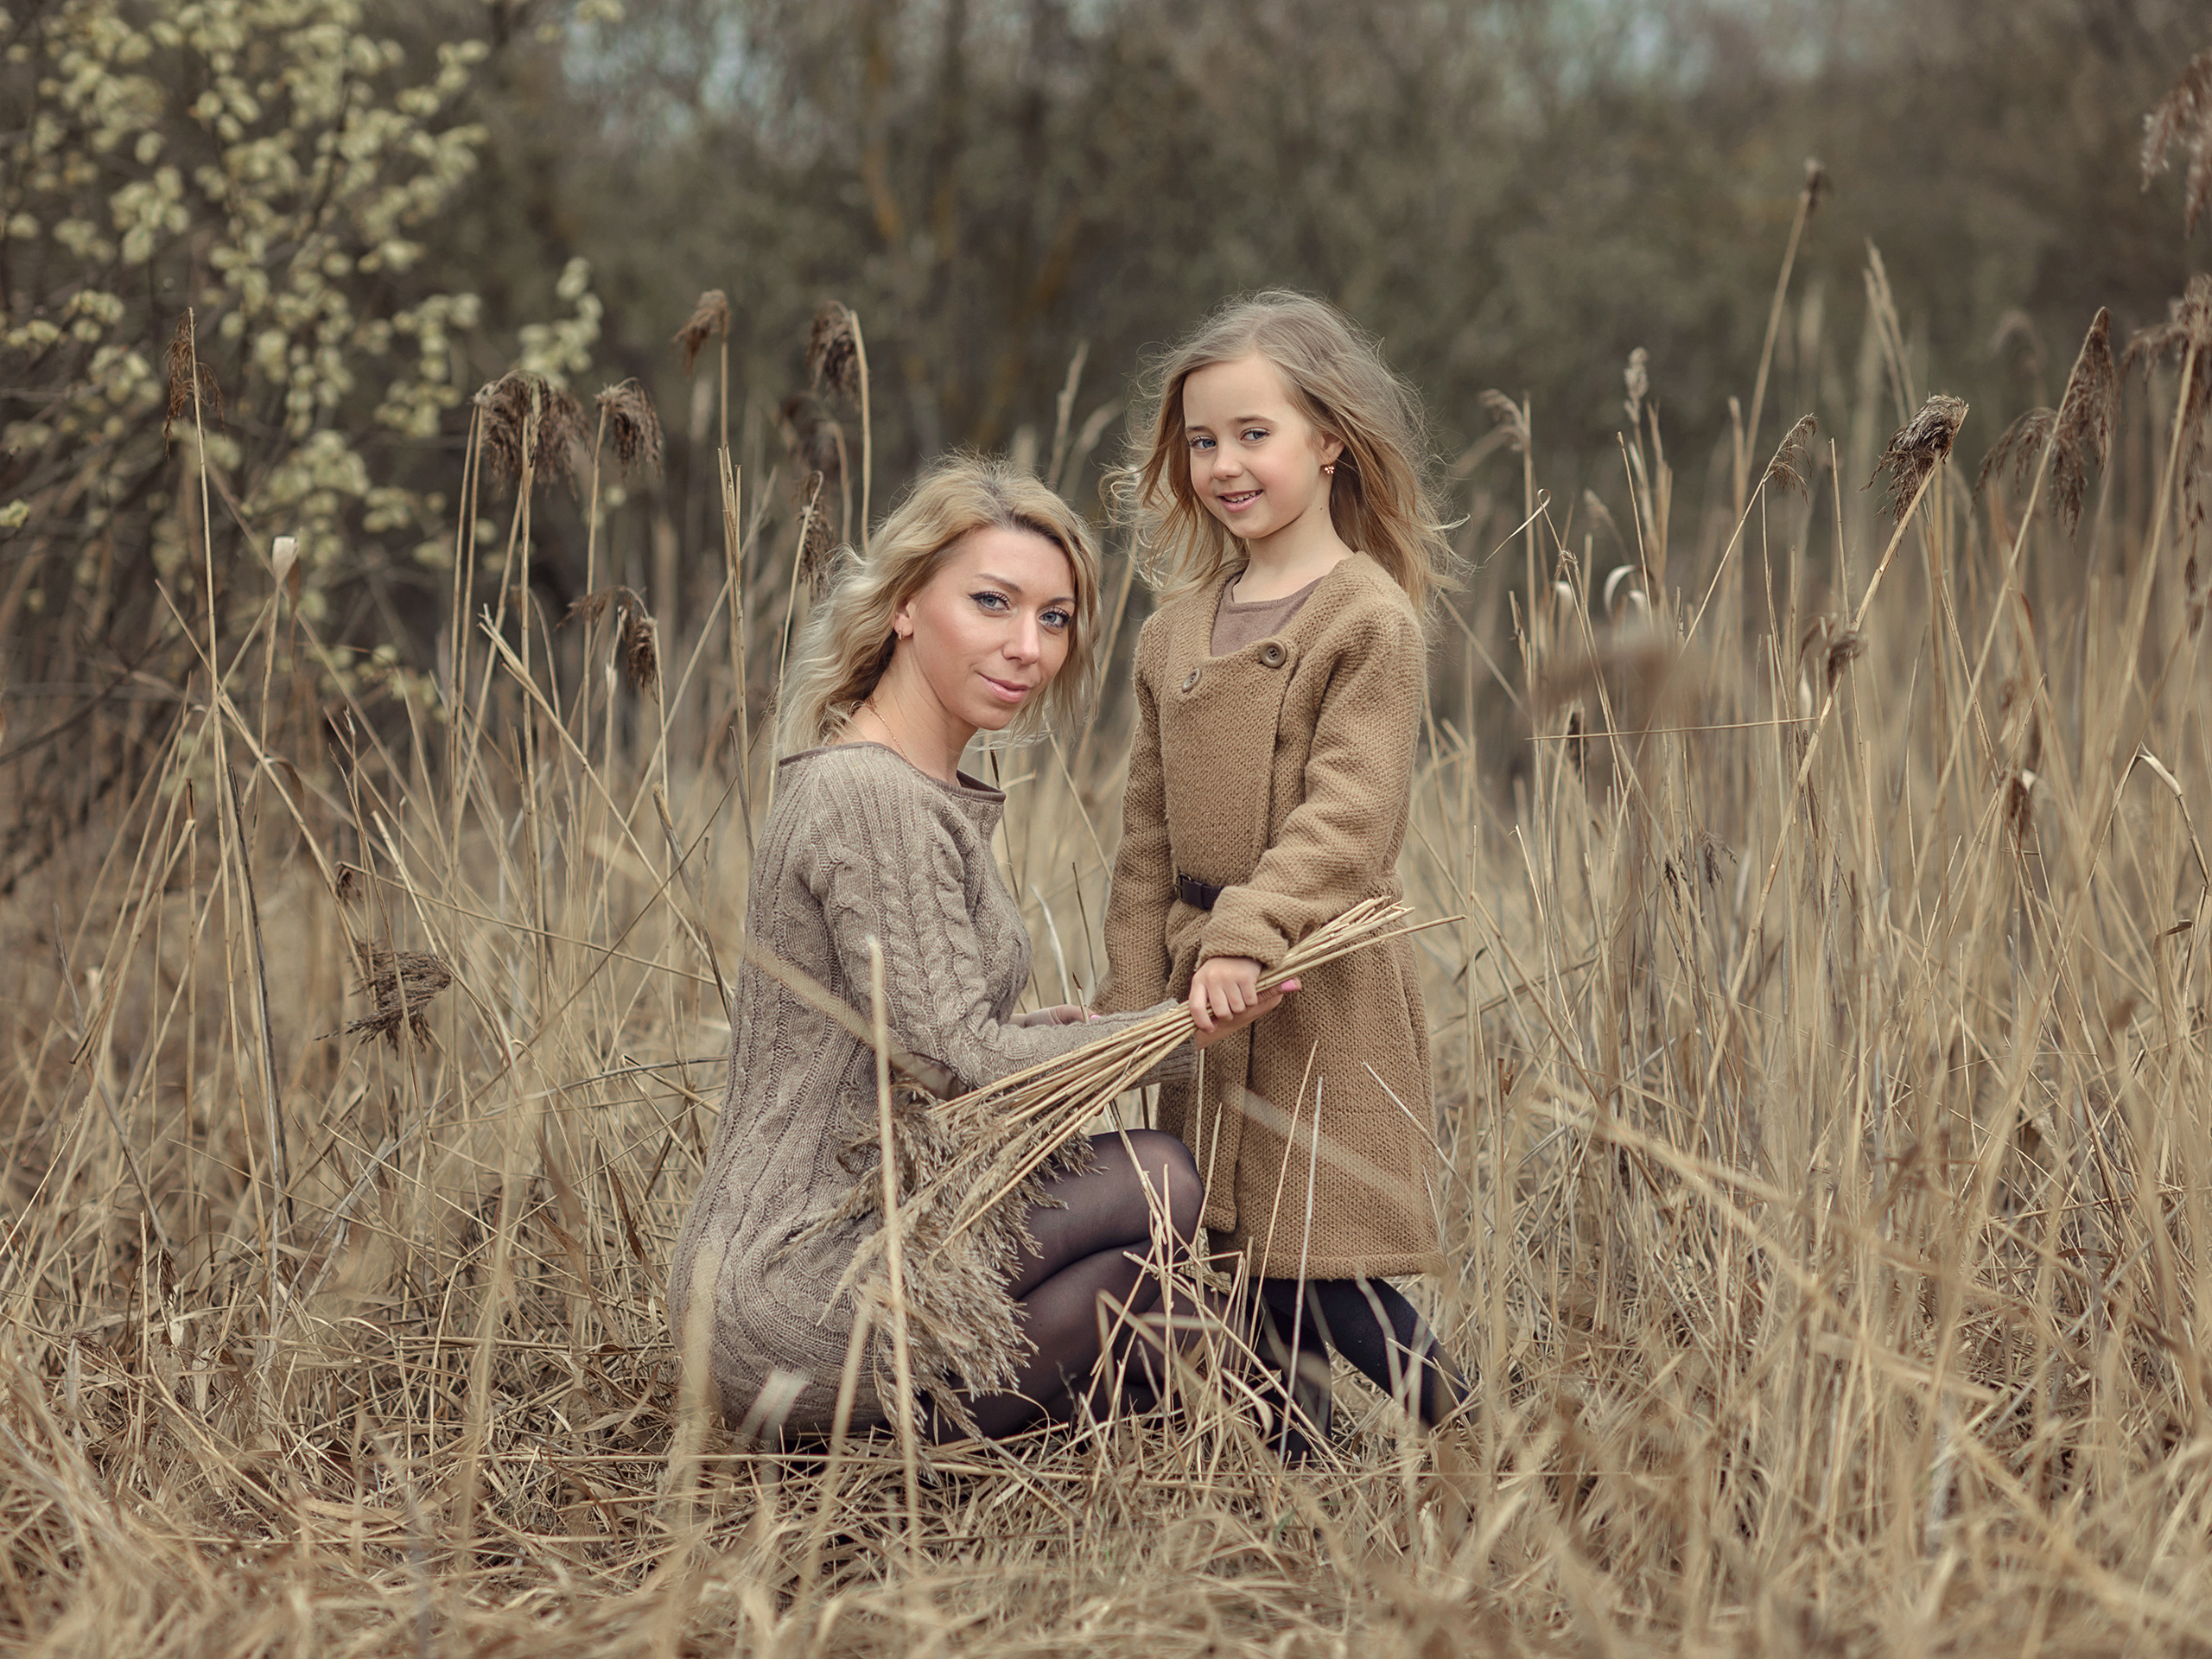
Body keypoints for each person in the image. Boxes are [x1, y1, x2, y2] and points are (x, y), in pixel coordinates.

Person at [668, 456, 1294, 1445]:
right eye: (992, 603)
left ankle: (1283, 1462)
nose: (1027, 647)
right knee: (1160, 1181)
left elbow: (910, 1035)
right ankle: (1335, 1463)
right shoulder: (873, 797)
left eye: (1053, 619)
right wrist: (1182, 1029)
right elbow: (955, 1058)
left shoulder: (892, 784)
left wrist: (1030, 1030)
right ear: (907, 604)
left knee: (1160, 1307)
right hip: (797, 1289)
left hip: (829, 1251)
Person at [1102, 290, 1466, 1459]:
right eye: (1202, 441)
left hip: (1308, 981)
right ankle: (1294, 1483)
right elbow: (1145, 836)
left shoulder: (1367, 618)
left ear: (1329, 438)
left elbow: (1349, 818)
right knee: (1237, 1269)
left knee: (1321, 1269)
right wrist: (1128, 1003)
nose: (1224, 465)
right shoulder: (1171, 630)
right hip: (1201, 999)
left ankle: (1474, 1438)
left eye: (1254, 434)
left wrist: (1246, 935)